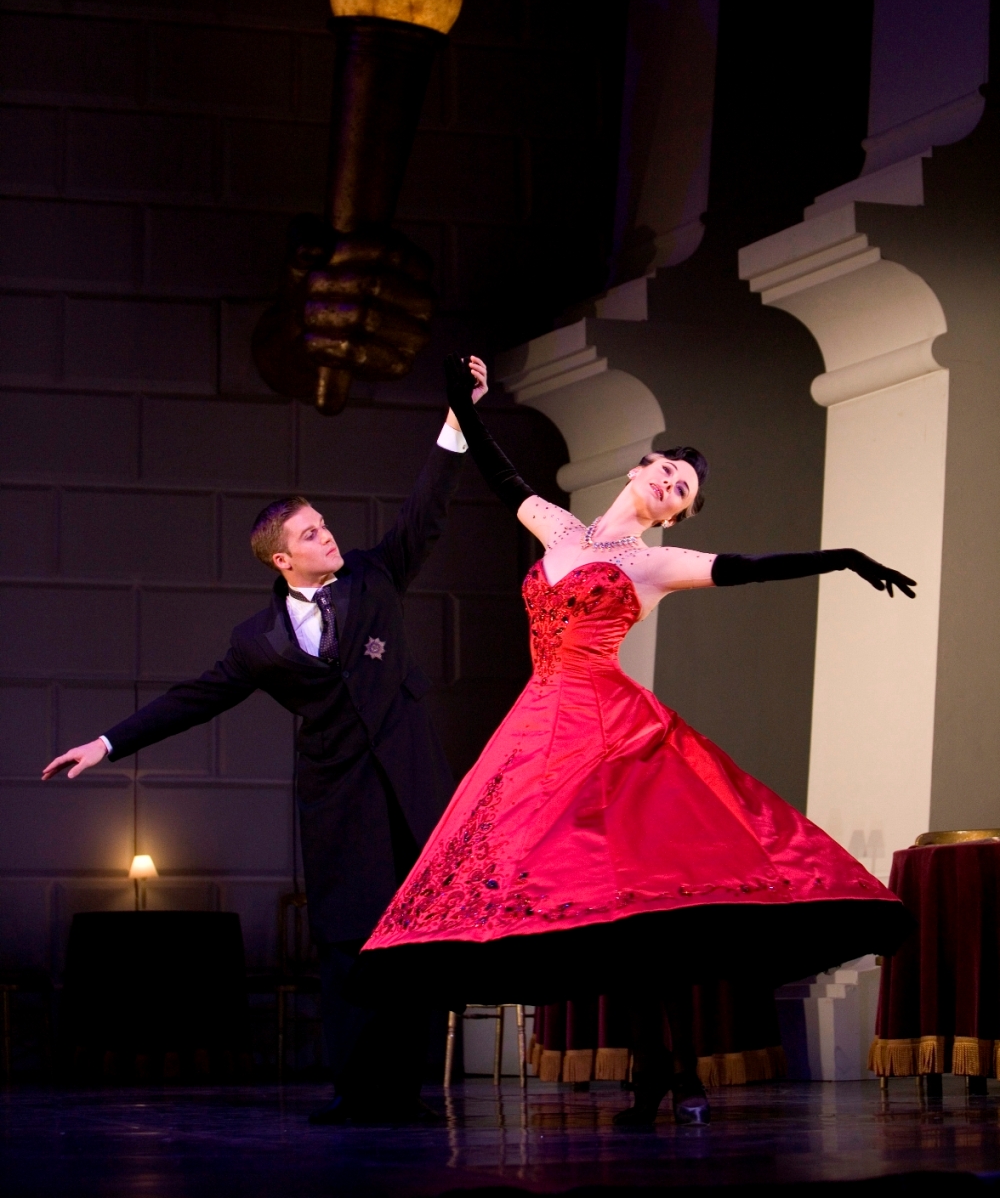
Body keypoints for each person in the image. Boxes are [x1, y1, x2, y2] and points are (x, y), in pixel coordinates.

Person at [354, 355, 915, 1129]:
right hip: (538, 731)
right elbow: (497, 469)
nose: (670, 485)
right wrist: (462, 402)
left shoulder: (654, 563)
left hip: (613, 734)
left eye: (683, 490)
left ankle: (677, 1071)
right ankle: (656, 1069)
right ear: (639, 468)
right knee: (590, 905)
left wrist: (843, 557)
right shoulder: (555, 526)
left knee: (649, 910)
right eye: (666, 471)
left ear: (678, 516)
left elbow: (748, 568)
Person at [41, 357, 490, 1125]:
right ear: (284, 559)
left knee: (412, 939)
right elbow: (197, 699)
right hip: (336, 799)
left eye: (325, 523)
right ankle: (356, 1091)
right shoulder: (257, 640)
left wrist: (459, 417)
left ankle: (404, 1090)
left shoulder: (376, 577)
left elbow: (427, 510)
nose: (329, 533)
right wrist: (108, 743)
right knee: (348, 946)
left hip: (409, 784)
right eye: (312, 532)